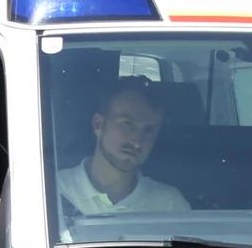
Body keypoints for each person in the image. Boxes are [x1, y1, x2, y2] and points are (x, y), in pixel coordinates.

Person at [56, 82, 190, 218]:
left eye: (148, 130)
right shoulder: (50, 191)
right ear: (98, 124)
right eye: (127, 124)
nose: (137, 142)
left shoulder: (170, 205)